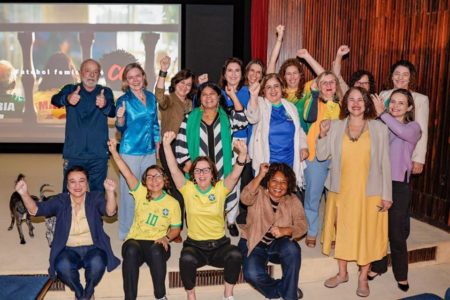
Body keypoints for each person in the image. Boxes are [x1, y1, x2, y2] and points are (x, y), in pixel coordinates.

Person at [318, 87, 392, 297]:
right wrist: (322, 135)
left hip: (370, 192)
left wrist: (387, 194)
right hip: (341, 189)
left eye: (361, 99)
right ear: (346, 104)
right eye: (352, 99)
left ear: (367, 103)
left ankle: (362, 277)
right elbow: (323, 156)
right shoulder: (336, 126)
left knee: (366, 232)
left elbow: (385, 163)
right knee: (342, 230)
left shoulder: (379, 128)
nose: (356, 103)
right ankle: (342, 274)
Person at [163, 130, 247, 300]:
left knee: (236, 254)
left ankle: (228, 294)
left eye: (206, 170)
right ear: (193, 174)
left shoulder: (220, 189)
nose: (201, 174)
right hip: (195, 246)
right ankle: (191, 295)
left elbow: (236, 174)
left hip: (219, 246)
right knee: (185, 258)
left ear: (212, 173)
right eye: (198, 171)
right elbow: (173, 169)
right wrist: (166, 145)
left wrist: (242, 155)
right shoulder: (187, 189)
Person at [14, 166, 120, 300]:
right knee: (62, 266)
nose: (77, 185)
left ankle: (87, 292)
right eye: (72, 181)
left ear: (87, 184)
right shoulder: (61, 200)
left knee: (98, 263)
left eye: (82, 181)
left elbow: (110, 212)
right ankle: (81, 294)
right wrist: (24, 194)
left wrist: (110, 192)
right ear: (67, 185)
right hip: (68, 249)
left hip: (94, 247)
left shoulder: (95, 198)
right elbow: (36, 210)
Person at [108, 139, 181, 300]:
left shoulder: (173, 203)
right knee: (131, 249)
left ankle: (161, 296)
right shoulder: (140, 193)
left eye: (158, 176)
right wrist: (114, 152)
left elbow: (176, 228)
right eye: (149, 177)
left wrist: (166, 237)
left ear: (165, 180)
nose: (154, 180)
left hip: (157, 243)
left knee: (156, 250)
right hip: (136, 240)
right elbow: (126, 172)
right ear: (145, 182)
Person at [175, 81, 248, 237]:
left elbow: (242, 122)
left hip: (223, 166)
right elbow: (181, 142)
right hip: (199, 170)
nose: (208, 98)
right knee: (199, 199)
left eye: (212, 94)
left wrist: (233, 95)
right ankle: (199, 227)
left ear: (219, 96)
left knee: (222, 197)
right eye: (204, 95)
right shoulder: (190, 117)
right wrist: (187, 164)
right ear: (200, 98)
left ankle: (227, 221)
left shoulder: (227, 115)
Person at [369, 89, 421, 292]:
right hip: (378, 182)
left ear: (409, 108)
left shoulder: (413, 127)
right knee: (378, 229)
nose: (396, 106)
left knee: (396, 233)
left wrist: (383, 114)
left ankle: (401, 274)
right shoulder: (382, 123)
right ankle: (379, 266)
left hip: (399, 185)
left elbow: (401, 132)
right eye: (393, 102)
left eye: (401, 103)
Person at [238, 162, 308, 300]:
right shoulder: (258, 194)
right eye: (274, 181)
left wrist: (286, 230)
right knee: (251, 273)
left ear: (288, 185)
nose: (278, 186)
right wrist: (260, 175)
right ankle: (285, 289)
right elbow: (245, 197)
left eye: (283, 182)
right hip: (254, 242)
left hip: (277, 244)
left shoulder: (292, 200)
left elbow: (302, 225)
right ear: (268, 182)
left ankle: (289, 295)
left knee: (292, 249)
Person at [51, 59, 116, 193]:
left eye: (95, 72)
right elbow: (55, 100)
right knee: (69, 195)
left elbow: (113, 112)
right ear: (81, 73)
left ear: (99, 75)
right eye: (88, 71)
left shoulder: (105, 91)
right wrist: (67, 99)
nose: (91, 75)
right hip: (74, 154)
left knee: (97, 196)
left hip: (98, 155)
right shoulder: (70, 89)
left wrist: (104, 105)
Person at [115, 62, 160, 240]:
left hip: (149, 151)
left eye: (137, 76)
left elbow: (155, 123)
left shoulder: (151, 97)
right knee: (129, 192)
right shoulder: (123, 100)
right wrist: (119, 118)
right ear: (126, 81)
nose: (135, 80)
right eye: (130, 77)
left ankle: (145, 225)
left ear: (143, 76)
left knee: (150, 189)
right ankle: (126, 230)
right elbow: (120, 127)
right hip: (130, 151)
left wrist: (157, 144)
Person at [246, 73, 308, 193]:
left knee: (286, 201)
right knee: (266, 202)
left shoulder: (290, 107)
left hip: (289, 163)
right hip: (267, 165)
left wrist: (303, 146)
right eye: (268, 87)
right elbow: (252, 117)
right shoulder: (259, 103)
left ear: (282, 87)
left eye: (276, 86)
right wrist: (253, 96)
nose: (273, 90)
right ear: (263, 90)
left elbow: (298, 130)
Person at [302, 70, 342, 248]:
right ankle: (312, 230)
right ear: (318, 85)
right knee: (313, 195)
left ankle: (331, 232)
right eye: (324, 82)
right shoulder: (313, 100)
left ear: (336, 85)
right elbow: (308, 117)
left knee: (333, 197)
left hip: (337, 157)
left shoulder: (344, 105)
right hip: (316, 155)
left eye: (331, 82)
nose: (328, 85)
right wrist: (314, 94)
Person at [155, 56, 195, 225]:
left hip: (187, 149)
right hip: (169, 148)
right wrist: (163, 70)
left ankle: (190, 218)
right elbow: (158, 95)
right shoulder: (169, 99)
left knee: (188, 184)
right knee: (174, 185)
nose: (185, 87)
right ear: (175, 82)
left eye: (189, 84)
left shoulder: (190, 104)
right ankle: (175, 223)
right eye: (182, 83)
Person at [380, 59, 429, 175]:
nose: (400, 78)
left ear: (410, 78)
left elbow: (422, 130)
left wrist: (418, 159)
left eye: (405, 75)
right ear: (391, 76)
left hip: (403, 154)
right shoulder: (383, 94)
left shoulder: (420, 99)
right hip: (383, 150)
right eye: (397, 73)